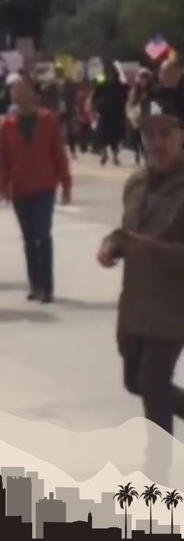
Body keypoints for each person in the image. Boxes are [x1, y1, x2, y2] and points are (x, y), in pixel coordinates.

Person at [98, 93, 184, 436]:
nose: (157, 142)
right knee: (136, 382)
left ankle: (158, 471)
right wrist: (112, 245)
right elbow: (127, 233)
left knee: (153, 387)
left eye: (166, 133)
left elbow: (153, 246)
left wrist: (158, 250)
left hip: (172, 307)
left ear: (182, 135)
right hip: (135, 304)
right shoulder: (136, 183)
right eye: (150, 135)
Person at [0, 72, 72, 303]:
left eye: (20, 88)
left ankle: (47, 287)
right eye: (12, 90)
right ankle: (34, 284)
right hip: (20, 189)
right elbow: (2, 158)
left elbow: (58, 154)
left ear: (31, 92)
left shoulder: (48, 120)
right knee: (29, 239)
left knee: (42, 235)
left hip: (44, 186)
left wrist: (66, 183)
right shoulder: (6, 126)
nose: (15, 94)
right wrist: (2, 185)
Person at [92, 64, 128, 165]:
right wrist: (96, 107)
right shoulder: (101, 82)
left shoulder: (120, 84)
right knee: (102, 135)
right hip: (104, 113)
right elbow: (95, 94)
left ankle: (115, 156)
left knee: (115, 137)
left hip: (115, 114)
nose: (110, 75)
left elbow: (125, 97)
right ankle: (104, 154)